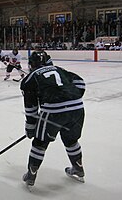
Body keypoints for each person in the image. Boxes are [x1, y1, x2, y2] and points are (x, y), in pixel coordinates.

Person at [20, 51, 86, 187]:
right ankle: (78, 168)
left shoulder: (30, 79)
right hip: (77, 109)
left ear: (31, 64)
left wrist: (31, 126)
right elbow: (80, 83)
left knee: (40, 143)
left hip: (53, 112)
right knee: (71, 140)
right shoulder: (59, 70)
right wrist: (70, 97)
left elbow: (31, 107)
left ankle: (31, 175)